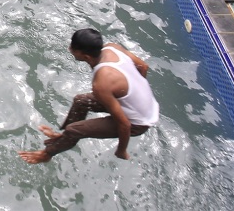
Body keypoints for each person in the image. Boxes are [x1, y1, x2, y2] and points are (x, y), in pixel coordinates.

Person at [18, 28, 159, 163]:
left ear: (85, 56)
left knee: (74, 130)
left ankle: (46, 154)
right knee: (80, 101)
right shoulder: (112, 47)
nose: (69, 49)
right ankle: (63, 137)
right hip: (148, 105)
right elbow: (143, 67)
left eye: (73, 48)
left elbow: (125, 124)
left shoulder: (101, 84)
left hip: (138, 122)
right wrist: (134, 93)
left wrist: (121, 150)